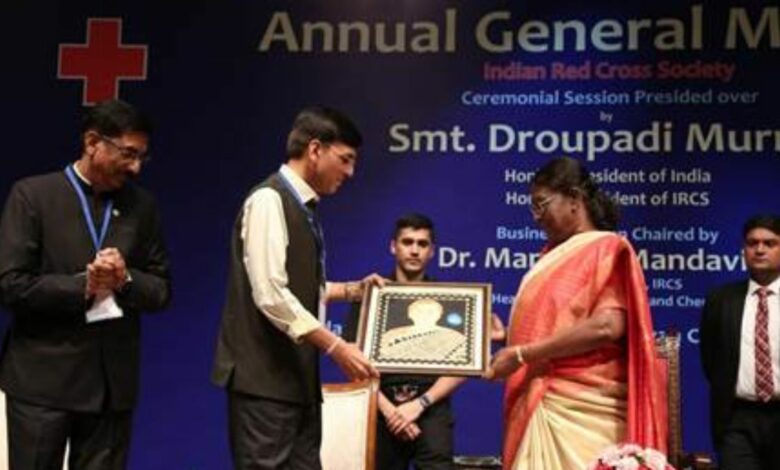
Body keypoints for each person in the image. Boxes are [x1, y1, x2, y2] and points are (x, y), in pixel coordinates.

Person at [0, 99, 171, 469]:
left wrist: (124, 278)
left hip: (111, 389)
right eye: (128, 154)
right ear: (93, 142)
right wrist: (84, 285)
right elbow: (11, 285)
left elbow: (160, 290)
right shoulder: (32, 196)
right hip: (42, 385)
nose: (136, 167)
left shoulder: (143, 207)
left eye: (142, 156)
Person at [211, 106, 380, 469]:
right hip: (264, 385)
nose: (351, 173)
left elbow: (300, 289)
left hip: (297, 383)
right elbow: (271, 294)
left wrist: (351, 290)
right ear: (315, 149)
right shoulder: (268, 200)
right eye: (345, 160)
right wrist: (336, 347)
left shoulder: (305, 207)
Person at [486, 157, 666, 470]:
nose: (536, 216)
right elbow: (555, 325)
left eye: (542, 204)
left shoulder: (607, 248)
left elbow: (607, 327)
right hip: (543, 404)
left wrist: (522, 354)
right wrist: (506, 338)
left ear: (574, 198)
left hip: (582, 414)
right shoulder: (551, 258)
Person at [344, 213, 468, 470]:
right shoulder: (370, 297)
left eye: (422, 244)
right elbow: (350, 360)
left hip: (432, 409)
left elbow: (464, 366)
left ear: (432, 251)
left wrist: (419, 404)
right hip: (380, 409)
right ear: (393, 246)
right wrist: (391, 412)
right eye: (407, 242)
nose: (414, 250)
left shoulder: (451, 299)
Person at [699, 214, 780, 470]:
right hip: (737, 421)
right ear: (743, 250)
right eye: (752, 243)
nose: (759, 249)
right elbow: (711, 360)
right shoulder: (720, 300)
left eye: (769, 243)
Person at [379, 297, 468, 363]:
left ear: (439, 315)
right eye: (419, 311)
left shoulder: (454, 337)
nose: (424, 314)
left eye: (430, 312)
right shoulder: (391, 334)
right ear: (410, 314)